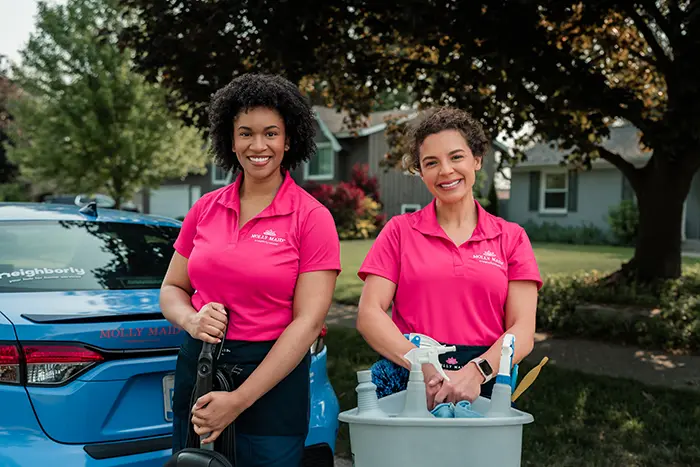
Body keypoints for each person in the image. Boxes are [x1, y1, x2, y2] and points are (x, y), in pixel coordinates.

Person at [160, 73, 341, 466]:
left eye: (270, 133)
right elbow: (172, 288)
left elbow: (308, 323)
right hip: (201, 376)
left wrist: (239, 401)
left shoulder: (312, 218)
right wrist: (192, 321)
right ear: (231, 139)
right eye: (246, 133)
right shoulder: (204, 209)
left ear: (288, 139)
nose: (258, 145)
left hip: (271, 382)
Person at [356, 107, 542, 411]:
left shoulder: (512, 237)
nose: (445, 170)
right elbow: (369, 314)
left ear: (477, 160)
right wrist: (423, 367)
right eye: (431, 163)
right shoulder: (399, 231)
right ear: (421, 172)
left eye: (456, 157)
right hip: (411, 382)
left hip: (486, 382)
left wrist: (477, 372)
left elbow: (522, 330)